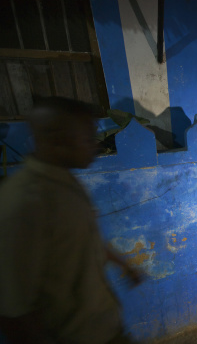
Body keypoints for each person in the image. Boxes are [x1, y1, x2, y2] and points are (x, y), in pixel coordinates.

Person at [0, 97, 141, 343]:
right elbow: (14, 312)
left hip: (105, 329)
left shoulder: (64, 182)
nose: (95, 145)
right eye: (87, 138)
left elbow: (82, 238)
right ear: (58, 139)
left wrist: (123, 264)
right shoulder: (25, 203)